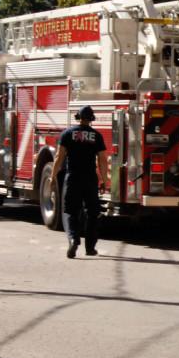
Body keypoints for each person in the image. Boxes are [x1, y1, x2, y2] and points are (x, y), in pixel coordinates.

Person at [51, 105, 108, 259]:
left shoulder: (67, 134)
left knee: (70, 211)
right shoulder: (97, 136)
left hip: (72, 178)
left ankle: (73, 239)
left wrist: (52, 176)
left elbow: (59, 157)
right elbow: (102, 160)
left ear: (78, 117)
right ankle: (90, 248)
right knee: (92, 212)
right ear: (92, 119)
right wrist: (104, 180)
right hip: (90, 179)